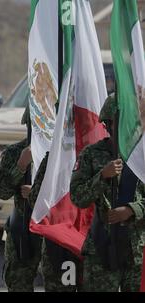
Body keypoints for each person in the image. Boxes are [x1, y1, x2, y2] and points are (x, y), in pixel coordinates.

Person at [70, 94, 145, 292]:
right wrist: (102, 176)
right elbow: (77, 197)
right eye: (115, 123)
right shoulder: (92, 154)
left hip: (136, 250)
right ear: (107, 124)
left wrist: (132, 210)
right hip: (102, 246)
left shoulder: (142, 154)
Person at [0, 106, 42, 292]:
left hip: (53, 229)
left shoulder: (62, 152)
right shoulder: (15, 152)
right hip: (22, 227)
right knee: (18, 282)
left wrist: (36, 192)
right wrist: (20, 165)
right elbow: (0, 191)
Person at [29, 152, 80, 292]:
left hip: (85, 241)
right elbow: (35, 199)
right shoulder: (53, 157)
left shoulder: (55, 156)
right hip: (61, 241)